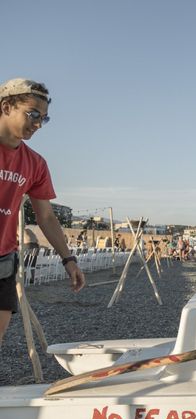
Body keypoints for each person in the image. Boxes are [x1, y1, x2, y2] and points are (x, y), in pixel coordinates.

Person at [0, 78, 85, 348]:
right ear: (6, 107)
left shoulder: (35, 163)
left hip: (3, 262)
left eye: (44, 119)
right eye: (33, 114)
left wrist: (68, 259)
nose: (37, 124)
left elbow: (46, 217)